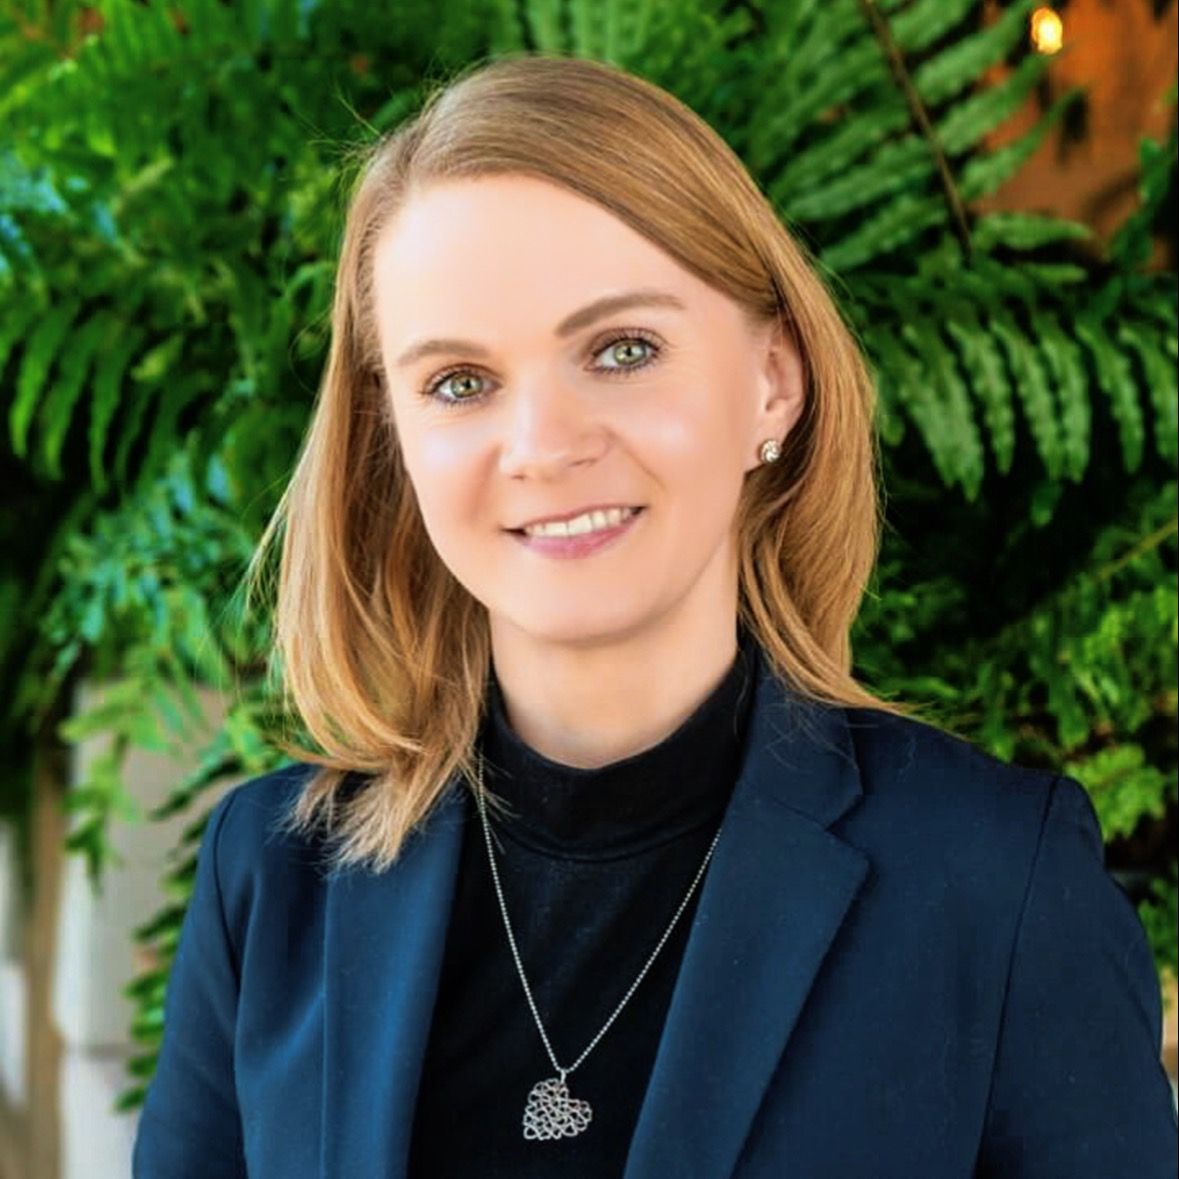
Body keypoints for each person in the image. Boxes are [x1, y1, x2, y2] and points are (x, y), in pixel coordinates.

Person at [131, 53, 1177, 1178]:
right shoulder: (270, 879)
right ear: (393, 438)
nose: (544, 446)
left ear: (773, 382)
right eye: (459, 382)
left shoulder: (996, 883)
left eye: (622, 350)